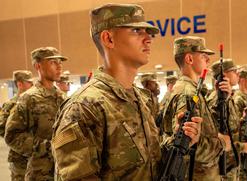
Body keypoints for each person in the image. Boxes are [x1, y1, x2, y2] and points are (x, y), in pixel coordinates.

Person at [51, 3, 201, 181]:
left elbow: (149, 163)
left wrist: (179, 140)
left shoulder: (141, 99)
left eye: (148, 33)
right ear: (108, 39)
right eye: (136, 31)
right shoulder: (84, 108)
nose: (148, 39)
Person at [161, 36, 231, 181]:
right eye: (203, 56)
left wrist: (221, 98)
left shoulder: (191, 90)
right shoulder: (188, 93)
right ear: (189, 59)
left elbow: (205, 127)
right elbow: (186, 146)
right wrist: (222, 144)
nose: (208, 60)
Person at [4, 47, 67, 180]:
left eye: (60, 62)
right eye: (52, 62)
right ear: (38, 66)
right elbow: (12, 135)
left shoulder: (63, 98)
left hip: (63, 170)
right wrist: (46, 147)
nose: (59, 67)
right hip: (40, 173)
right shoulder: (29, 98)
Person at [207, 59, 247, 181]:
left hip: (231, 161)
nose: (238, 74)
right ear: (224, 75)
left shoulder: (227, 97)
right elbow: (216, 138)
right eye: (234, 71)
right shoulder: (216, 100)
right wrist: (241, 147)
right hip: (223, 164)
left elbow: (231, 129)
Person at [0, 70, 33, 181]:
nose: (32, 85)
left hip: (34, 155)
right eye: (29, 82)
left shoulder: (32, 101)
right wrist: (20, 140)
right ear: (19, 84)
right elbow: (2, 128)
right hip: (19, 158)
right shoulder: (11, 104)